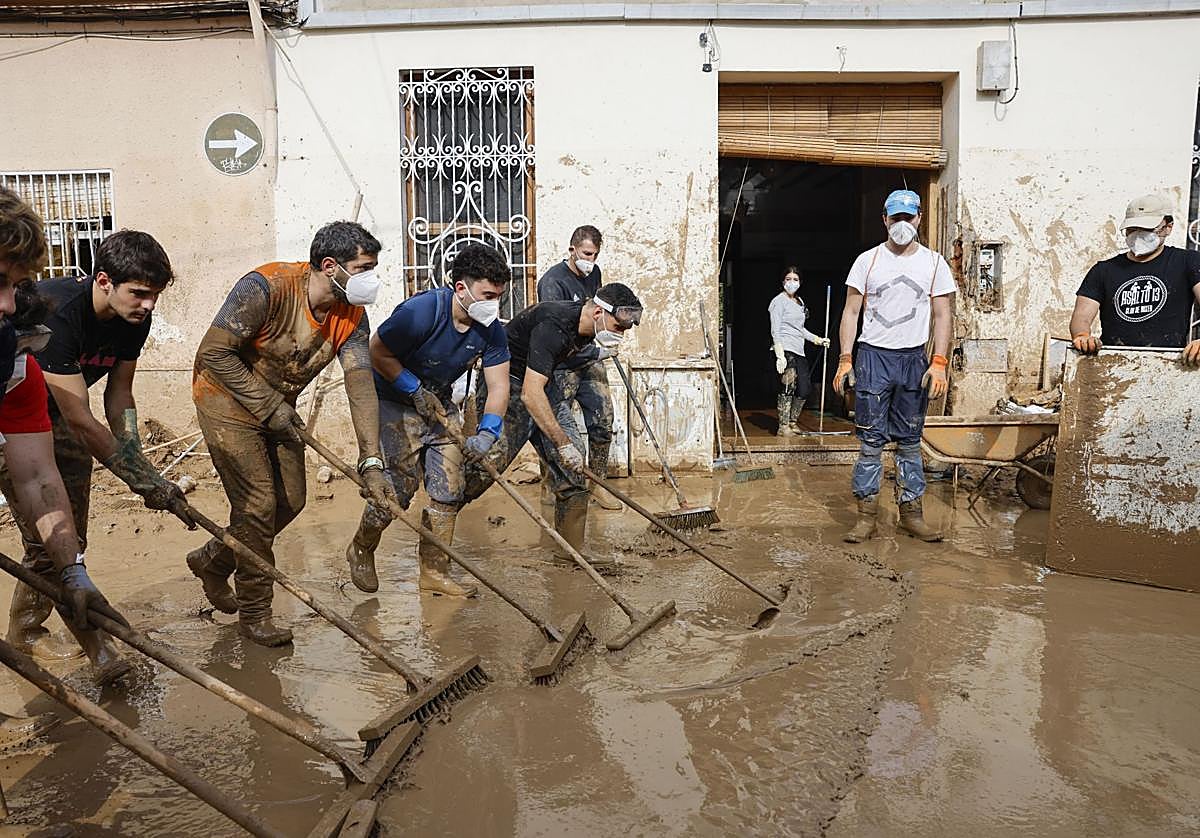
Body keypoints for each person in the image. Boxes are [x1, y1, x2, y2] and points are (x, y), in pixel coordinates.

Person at [188, 221, 394, 646]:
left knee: (292, 501)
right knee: (259, 505)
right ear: (331, 266)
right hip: (225, 402)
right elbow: (213, 354)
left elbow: (359, 385)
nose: (372, 278)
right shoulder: (266, 287)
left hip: (279, 409)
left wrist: (371, 461)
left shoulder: (352, 315)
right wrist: (266, 405)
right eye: (365, 268)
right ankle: (254, 613)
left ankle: (214, 559)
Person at [0, 187, 129, 686]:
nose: (9, 304)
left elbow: (36, 477)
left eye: (16, 285)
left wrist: (72, 569)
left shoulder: (13, 364)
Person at [344, 243, 512, 597]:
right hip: (392, 400)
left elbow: (498, 386)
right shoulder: (422, 311)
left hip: (439, 405)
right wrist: (413, 388)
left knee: (449, 490)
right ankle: (362, 545)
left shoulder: (491, 329)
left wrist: (487, 432)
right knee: (398, 490)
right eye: (487, 295)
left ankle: (434, 572)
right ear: (460, 288)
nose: (493, 304)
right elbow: (377, 350)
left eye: (498, 296)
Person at [462, 283, 643, 565]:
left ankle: (571, 552)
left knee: (573, 467)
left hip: (542, 384)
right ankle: (438, 527)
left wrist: (567, 447)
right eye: (618, 327)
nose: (620, 335)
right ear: (598, 312)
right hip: (507, 383)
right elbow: (530, 396)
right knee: (487, 467)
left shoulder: (586, 330)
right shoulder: (554, 325)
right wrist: (562, 443)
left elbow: (542, 385)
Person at [833, 189, 955, 543]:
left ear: (919, 218)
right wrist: (845, 359)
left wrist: (939, 362)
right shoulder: (867, 261)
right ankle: (866, 517)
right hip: (874, 357)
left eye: (908, 217)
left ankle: (911, 515)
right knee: (870, 443)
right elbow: (851, 312)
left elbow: (942, 314)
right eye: (895, 218)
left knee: (909, 442)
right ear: (885, 220)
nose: (902, 224)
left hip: (913, 359)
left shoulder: (934, 263)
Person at [535, 225, 622, 510]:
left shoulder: (593, 274)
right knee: (557, 425)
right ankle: (553, 481)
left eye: (595, 255)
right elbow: (553, 331)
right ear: (572, 249)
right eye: (586, 253)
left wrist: (606, 340)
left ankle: (598, 485)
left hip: (590, 357)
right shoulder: (552, 282)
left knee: (603, 420)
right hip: (562, 364)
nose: (590, 260)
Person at [1069, 192, 1200, 364]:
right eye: (1132, 229)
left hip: (1168, 364)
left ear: (1168, 227)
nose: (1138, 234)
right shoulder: (1103, 270)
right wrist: (1082, 336)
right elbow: (1082, 317)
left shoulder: (1188, 262)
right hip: (1112, 363)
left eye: (1146, 229)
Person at [768, 266, 829, 436]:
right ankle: (783, 425)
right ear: (783, 282)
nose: (792, 283)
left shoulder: (800, 302)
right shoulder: (778, 301)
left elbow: (800, 329)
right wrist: (780, 355)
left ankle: (793, 422)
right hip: (785, 347)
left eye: (795, 279)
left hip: (799, 349)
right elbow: (776, 328)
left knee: (804, 388)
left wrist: (817, 339)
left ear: (800, 282)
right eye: (788, 279)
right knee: (788, 384)